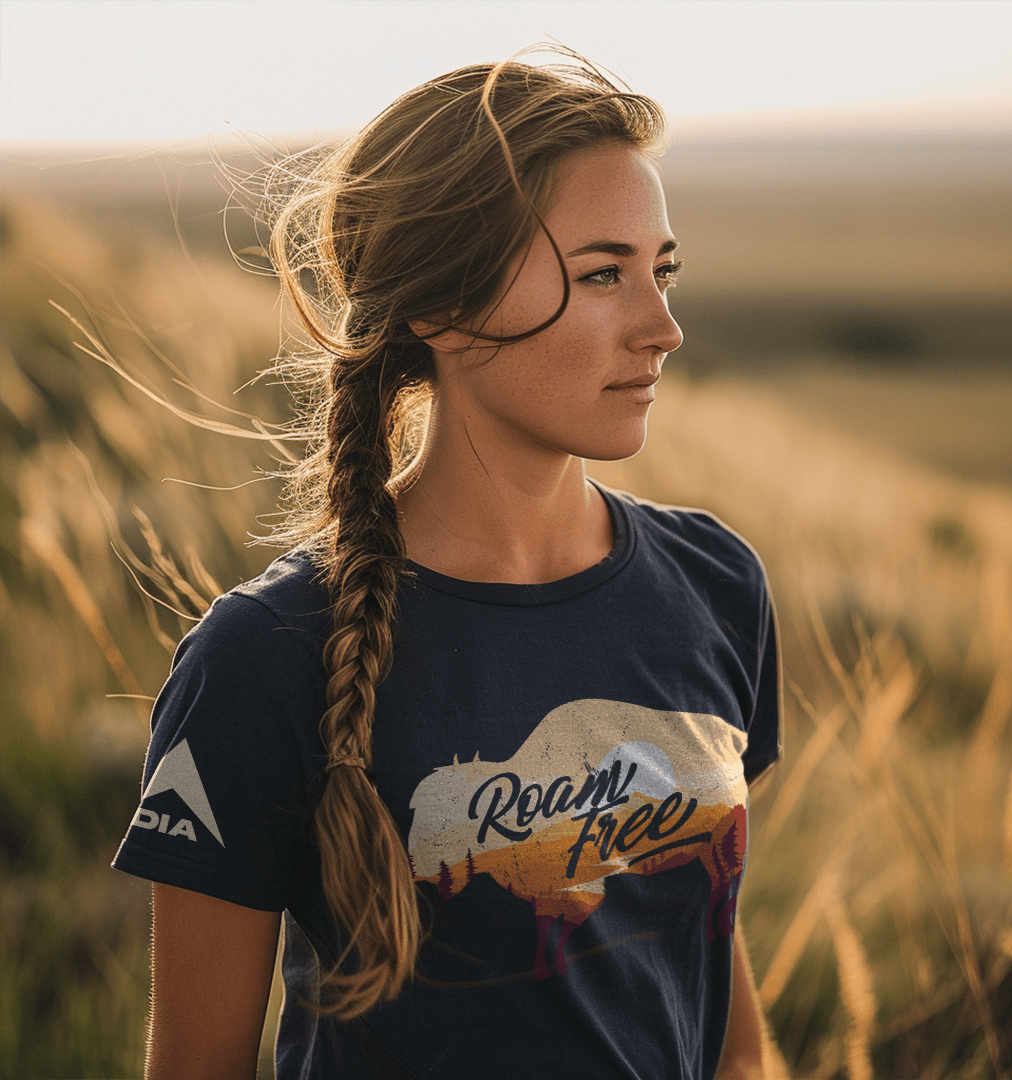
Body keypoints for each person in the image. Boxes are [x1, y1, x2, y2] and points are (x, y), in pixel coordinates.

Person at [112, 48, 781, 1080]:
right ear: (444, 308)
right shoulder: (263, 659)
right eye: (603, 274)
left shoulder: (715, 587)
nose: (663, 327)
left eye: (663, 271)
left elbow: (717, 1005)